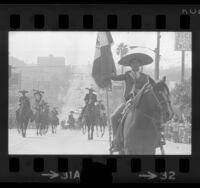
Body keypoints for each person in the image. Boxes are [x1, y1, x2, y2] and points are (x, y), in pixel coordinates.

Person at [110, 53, 155, 152]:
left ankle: (158, 137)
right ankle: (116, 141)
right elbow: (114, 78)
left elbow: (154, 85)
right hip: (128, 102)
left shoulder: (146, 77)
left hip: (142, 102)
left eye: (137, 63)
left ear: (140, 65)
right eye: (133, 63)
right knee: (113, 117)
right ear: (130, 65)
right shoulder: (127, 75)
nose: (135, 65)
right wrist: (108, 74)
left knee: (155, 115)